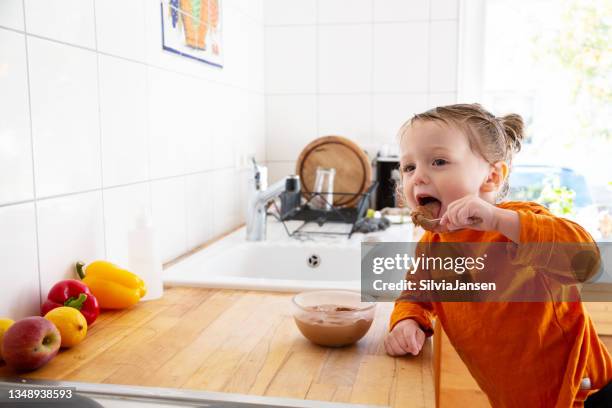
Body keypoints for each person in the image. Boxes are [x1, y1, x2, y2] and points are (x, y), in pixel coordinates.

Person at [384, 103, 612, 407]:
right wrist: (407, 322)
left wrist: (500, 221)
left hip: (582, 392)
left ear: (491, 177)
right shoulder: (433, 245)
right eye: (409, 167)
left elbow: (585, 260)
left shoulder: (516, 224)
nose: (418, 177)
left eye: (438, 161)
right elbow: (415, 296)